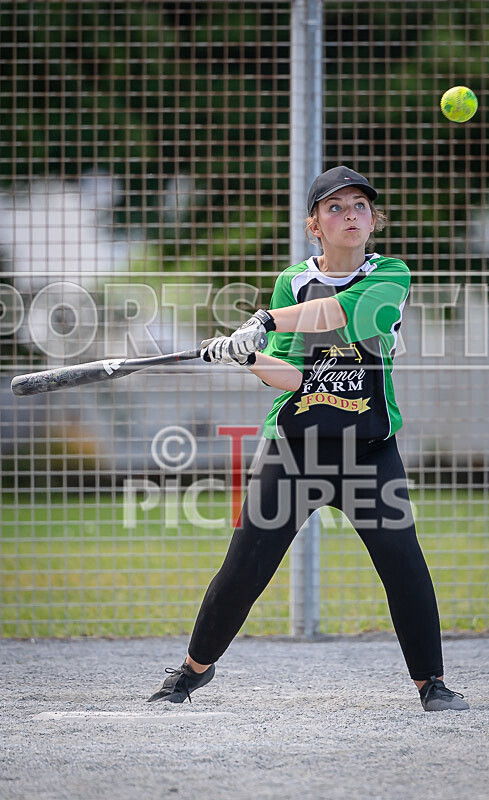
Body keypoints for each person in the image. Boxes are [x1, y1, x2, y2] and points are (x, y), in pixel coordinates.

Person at [148, 165, 469, 712]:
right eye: (336, 207)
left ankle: (430, 683)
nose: (350, 215)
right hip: (294, 450)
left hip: (369, 450)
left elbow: (347, 314)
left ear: (373, 221)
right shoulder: (294, 281)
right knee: (244, 569)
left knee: (402, 562)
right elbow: (294, 377)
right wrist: (247, 355)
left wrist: (265, 321)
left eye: (360, 207)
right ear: (314, 224)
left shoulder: (390, 273)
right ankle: (191, 672)